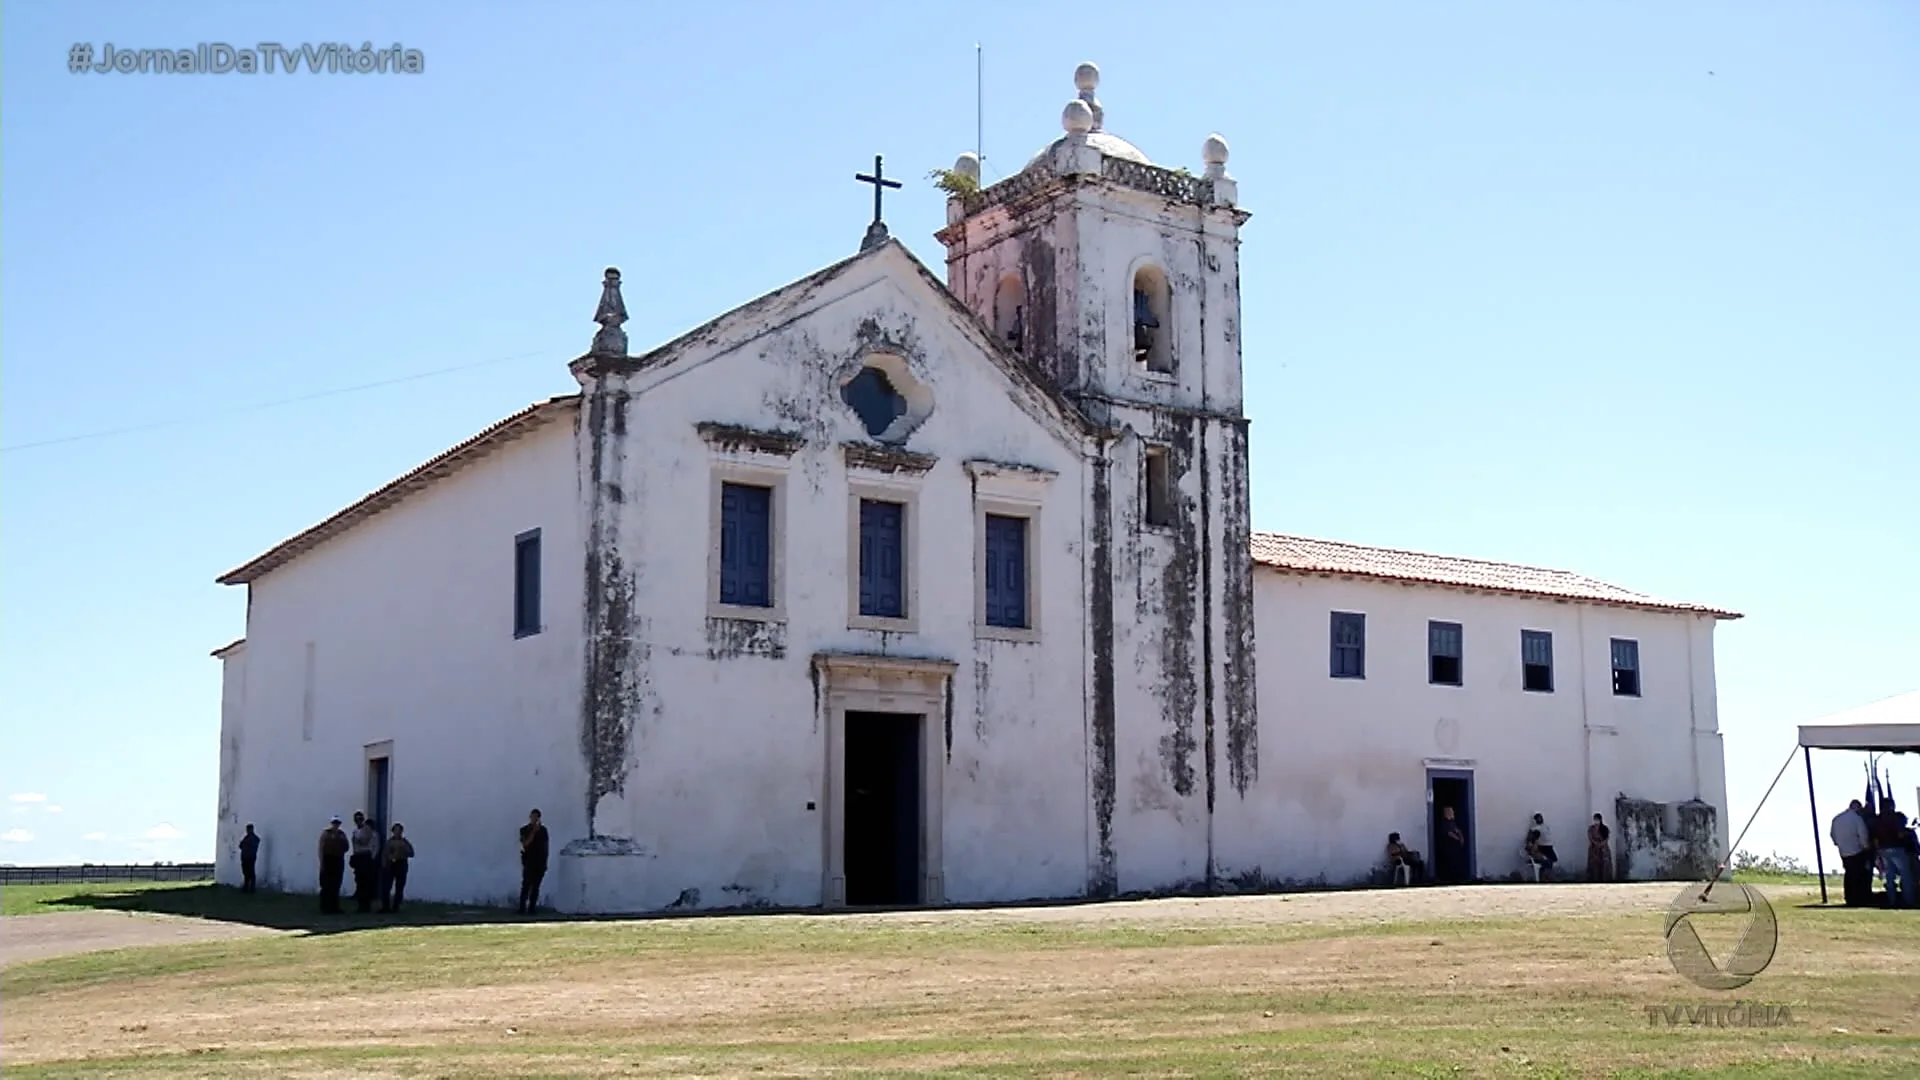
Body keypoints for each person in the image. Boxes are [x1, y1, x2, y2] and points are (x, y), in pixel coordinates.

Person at [1831, 799, 1875, 907]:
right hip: (1857, 850)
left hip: (1844, 851)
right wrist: (1866, 847)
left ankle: (1849, 897)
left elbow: (1833, 835)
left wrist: (1839, 844)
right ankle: (1859, 898)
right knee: (1859, 875)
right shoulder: (1857, 819)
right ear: (1857, 808)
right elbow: (1863, 834)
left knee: (1849, 874)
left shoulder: (1837, 819)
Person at [1873, 798, 1915, 910]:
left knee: (1889, 877)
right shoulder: (1897, 817)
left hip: (1883, 850)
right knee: (1906, 875)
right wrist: (1909, 831)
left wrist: (1878, 852)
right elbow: (1900, 834)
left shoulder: (1877, 819)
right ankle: (1908, 901)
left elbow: (1875, 839)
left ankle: (1891, 901)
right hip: (1897, 848)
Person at [518, 808, 549, 915]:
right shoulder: (524, 830)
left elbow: (545, 848)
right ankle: (522, 908)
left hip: (539, 863)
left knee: (536, 887)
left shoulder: (544, 831)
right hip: (528, 862)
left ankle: (532, 908)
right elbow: (525, 844)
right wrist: (533, 832)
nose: (534, 819)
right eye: (533, 817)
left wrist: (545, 863)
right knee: (526, 886)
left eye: (536, 818)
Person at [317, 816, 350, 913]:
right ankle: (325, 907)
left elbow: (346, 847)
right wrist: (322, 862)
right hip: (327, 859)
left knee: (336, 884)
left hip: (338, 859)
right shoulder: (326, 833)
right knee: (326, 884)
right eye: (334, 823)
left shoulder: (341, 834)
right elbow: (321, 848)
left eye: (337, 823)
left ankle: (335, 906)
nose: (336, 825)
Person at [349, 811, 379, 914]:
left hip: (365, 856)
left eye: (360, 819)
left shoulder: (367, 829)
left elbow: (365, 841)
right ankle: (360, 905)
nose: (358, 821)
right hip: (358, 856)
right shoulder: (355, 831)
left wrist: (357, 840)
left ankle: (366, 906)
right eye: (356, 819)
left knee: (366, 883)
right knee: (359, 882)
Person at [380, 823, 415, 913]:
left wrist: (402, 851)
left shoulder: (404, 842)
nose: (397, 832)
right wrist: (385, 864)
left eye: (399, 830)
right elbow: (384, 853)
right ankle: (385, 907)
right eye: (395, 830)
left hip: (401, 864)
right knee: (386, 887)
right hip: (390, 865)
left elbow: (411, 853)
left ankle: (396, 906)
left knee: (399, 887)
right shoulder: (389, 842)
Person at [1435, 806, 1469, 884]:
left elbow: (1458, 830)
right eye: (1450, 812)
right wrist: (1457, 838)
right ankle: (1448, 878)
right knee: (1449, 862)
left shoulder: (1453, 823)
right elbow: (1448, 833)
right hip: (1448, 846)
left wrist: (1461, 838)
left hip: (1455, 846)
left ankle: (1457, 877)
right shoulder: (1444, 822)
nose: (1452, 813)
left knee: (1456, 861)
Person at [1529, 813, 1559, 879]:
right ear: (1536, 819)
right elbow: (1531, 846)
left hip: (1549, 846)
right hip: (1542, 847)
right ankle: (1545, 875)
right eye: (1538, 818)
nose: (1540, 819)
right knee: (1547, 862)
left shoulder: (1546, 826)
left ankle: (1547, 873)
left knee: (1554, 859)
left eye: (1541, 817)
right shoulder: (1534, 828)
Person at [1586, 814, 1613, 883]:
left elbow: (1607, 838)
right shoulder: (1591, 829)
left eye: (1597, 819)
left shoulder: (1604, 828)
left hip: (1604, 851)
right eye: (1595, 819)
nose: (1596, 821)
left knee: (1605, 867)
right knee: (1594, 867)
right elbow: (1590, 838)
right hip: (1594, 850)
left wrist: (1601, 844)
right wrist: (1596, 843)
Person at [238, 824, 261, 893]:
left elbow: (243, 845)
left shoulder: (253, 838)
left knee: (250, 873)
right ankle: (247, 888)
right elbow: (241, 845)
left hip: (250, 857)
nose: (247, 831)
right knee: (246, 873)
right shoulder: (247, 837)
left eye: (248, 829)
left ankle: (251, 889)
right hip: (246, 857)